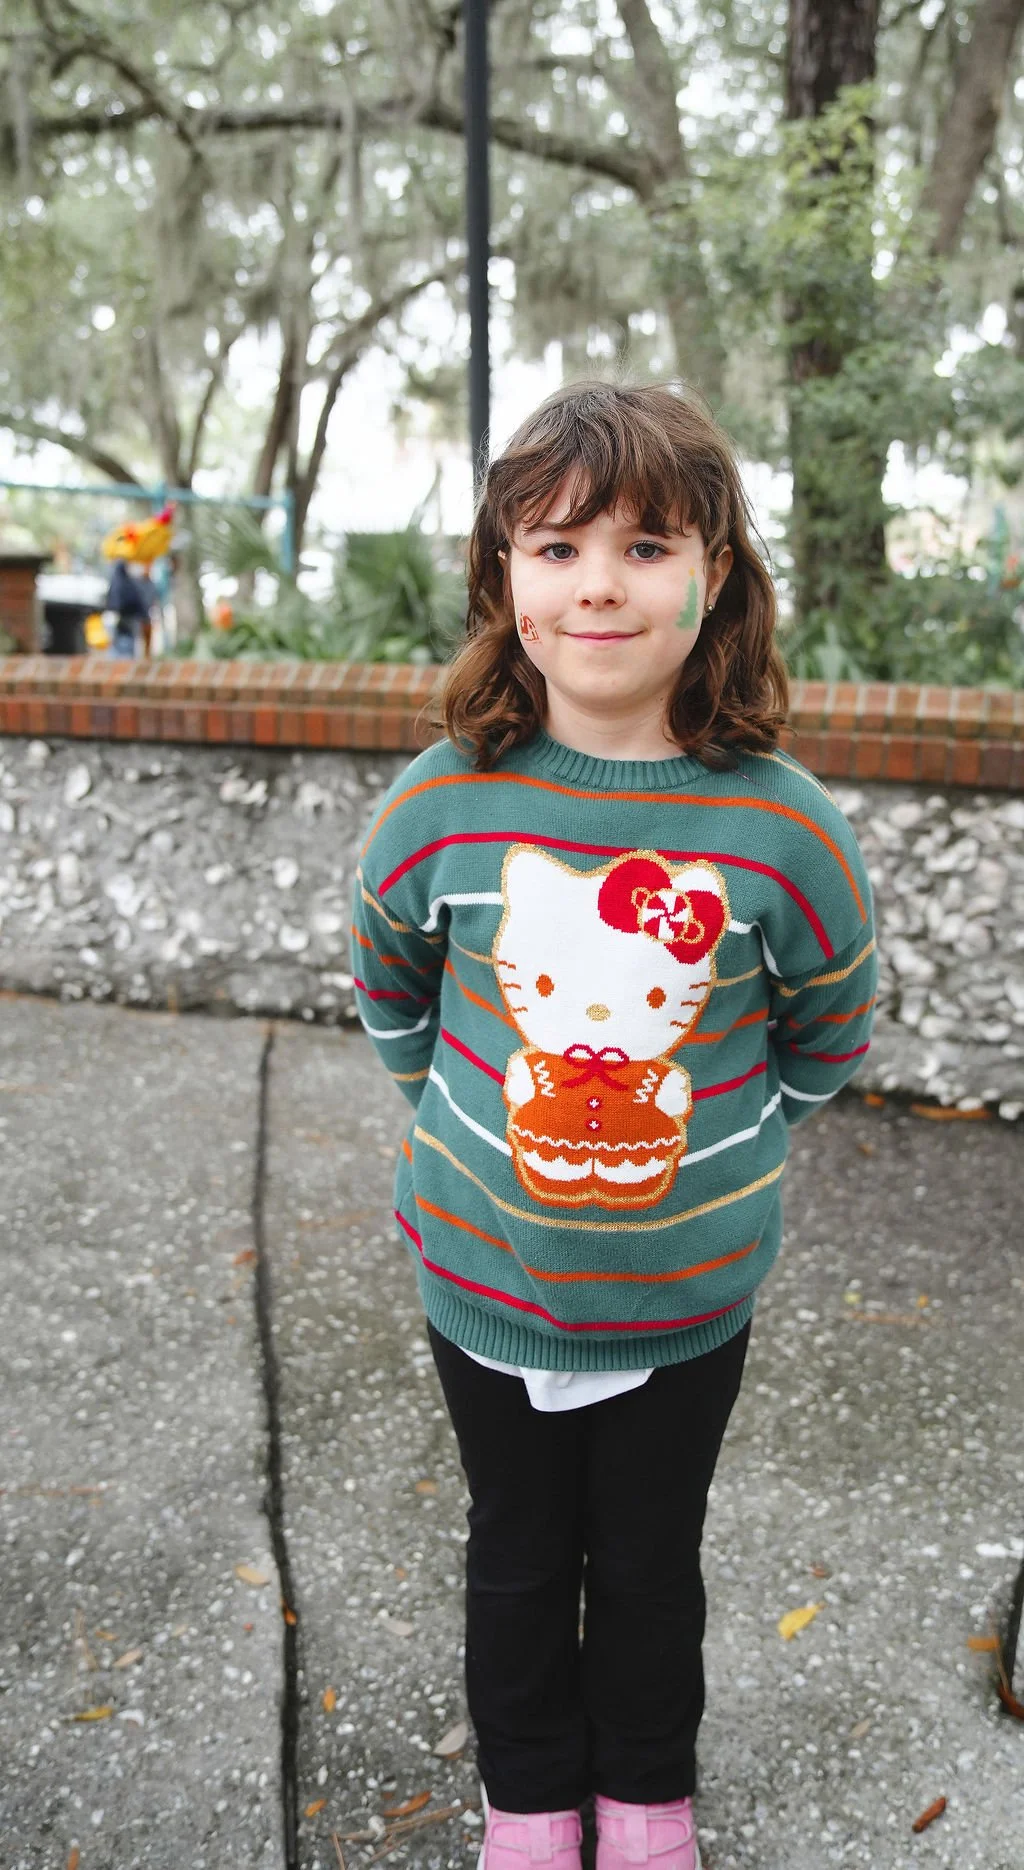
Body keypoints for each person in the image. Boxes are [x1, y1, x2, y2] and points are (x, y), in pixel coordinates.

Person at [350, 382, 877, 1870]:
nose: (598, 581)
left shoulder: (779, 823)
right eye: (558, 543)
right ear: (503, 580)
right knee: (518, 1558)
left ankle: (646, 1802)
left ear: (716, 577)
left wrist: (734, 1134)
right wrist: (456, 1116)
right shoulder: (444, 806)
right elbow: (393, 987)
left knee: (649, 1564)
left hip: (688, 1297)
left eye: (647, 545)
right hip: (483, 1275)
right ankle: (529, 1802)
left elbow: (829, 1025)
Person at [103, 558, 158, 658]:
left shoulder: (119, 582)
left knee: (118, 651)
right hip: (128, 622)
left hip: (123, 622)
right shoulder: (129, 583)